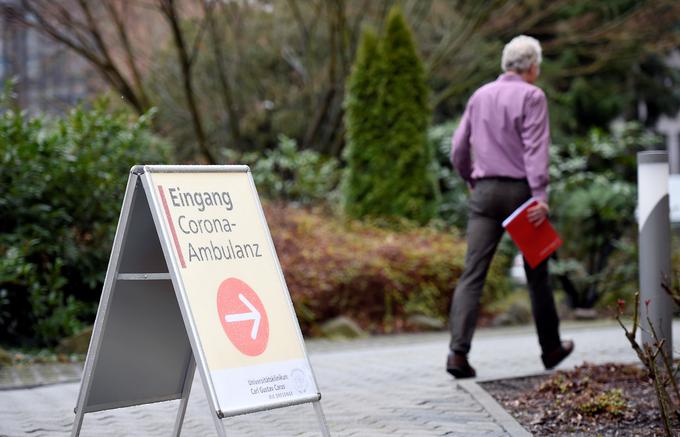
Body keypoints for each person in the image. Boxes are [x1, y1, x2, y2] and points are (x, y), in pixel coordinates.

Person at [447, 35, 573, 379]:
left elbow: (458, 147)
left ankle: (457, 355)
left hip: (485, 193)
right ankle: (551, 349)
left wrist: (470, 178)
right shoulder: (533, 96)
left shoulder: (479, 95)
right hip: (522, 195)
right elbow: (535, 149)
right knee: (538, 275)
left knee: (472, 273)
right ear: (532, 66)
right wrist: (540, 195)